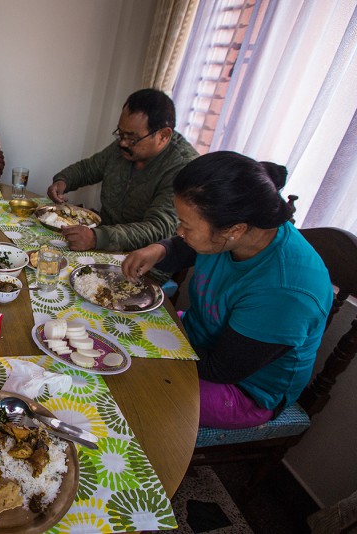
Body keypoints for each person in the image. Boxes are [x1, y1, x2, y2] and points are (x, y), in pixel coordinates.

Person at [122, 152, 332, 430]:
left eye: (187, 225)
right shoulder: (234, 235)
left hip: (241, 390)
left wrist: (150, 352)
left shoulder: (286, 292)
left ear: (235, 230)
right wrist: (159, 250)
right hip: (196, 338)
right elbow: (186, 247)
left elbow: (220, 369)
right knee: (114, 339)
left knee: (128, 387)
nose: (179, 231)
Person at [47, 88, 199, 258]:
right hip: (100, 243)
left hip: (142, 261)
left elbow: (157, 228)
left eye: (132, 138)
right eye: (121, 133)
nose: (123, 143)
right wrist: (63, 180)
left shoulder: (184, 168)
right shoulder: (124, 145)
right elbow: (89, 168)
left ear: (163, 135)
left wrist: (98, 238)